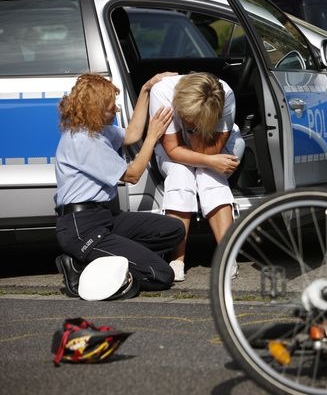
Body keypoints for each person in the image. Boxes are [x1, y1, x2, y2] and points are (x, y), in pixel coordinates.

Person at [54, 72, 185, 299]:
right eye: (109, 106)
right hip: (82, 227)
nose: (115, 109)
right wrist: (153, 137)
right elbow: (132, 175)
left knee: (174, 230)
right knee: (161, 275)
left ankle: (111, 256)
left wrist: (145, 88)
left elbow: (132, 134)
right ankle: (82, 267)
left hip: (106, 218)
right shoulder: (83, 140)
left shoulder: (98, 130)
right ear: (94, 108)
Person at [150, 72, 245, 282]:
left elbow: (212, 149)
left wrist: (197, 132)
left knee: (209, 176)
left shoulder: (225, 94)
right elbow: (173, 149)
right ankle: (177, 261)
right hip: (174, 147)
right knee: (180, 174)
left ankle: (228, 257)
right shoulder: (163, 92)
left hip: (212, 144)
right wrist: (195, 130)